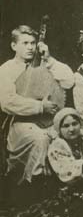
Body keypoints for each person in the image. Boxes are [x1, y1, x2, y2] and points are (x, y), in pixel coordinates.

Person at [0, 25, 74, 207]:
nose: (30, 47)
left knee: (66, 136)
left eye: (33, 43)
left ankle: (65, 197)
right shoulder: (6, 69)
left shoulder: (44, 64)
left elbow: (69, 81)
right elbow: (7, 102)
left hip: (48, 122)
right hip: (20, 124)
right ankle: (35, 195)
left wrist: (49, 59)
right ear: (13, 46)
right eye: (25, 43)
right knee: (41, 139)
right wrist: (40, 106)